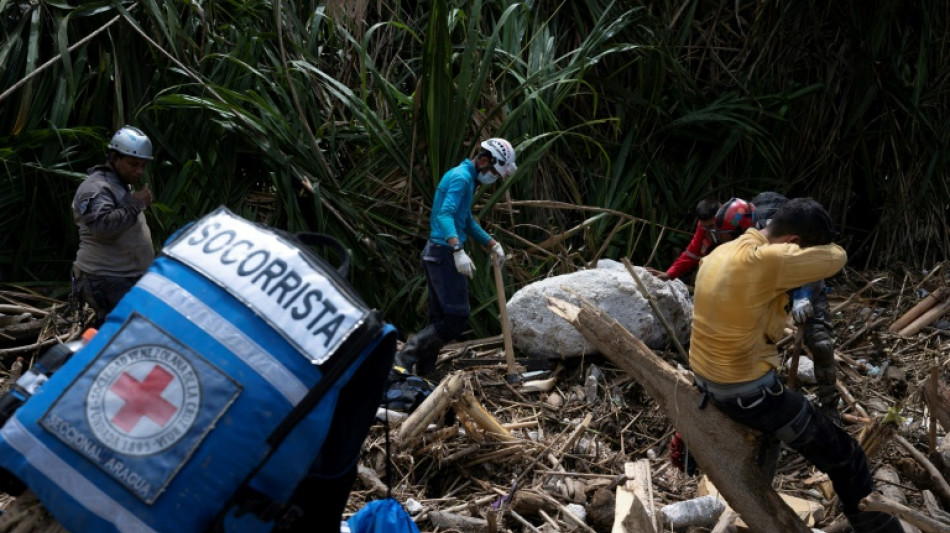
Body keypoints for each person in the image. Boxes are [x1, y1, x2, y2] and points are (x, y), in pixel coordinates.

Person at [689, 198, 903, 533]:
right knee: (847, 456)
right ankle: (879, 530)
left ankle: (757, 513)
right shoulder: (771, 260)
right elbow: (837, 257)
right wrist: (798, 257)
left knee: (773, 440)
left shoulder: (723, 252)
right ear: (792, 244)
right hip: (748, 394)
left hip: (708, 383)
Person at [394, 138, 517, 377]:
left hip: (436, 253)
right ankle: (406, 355)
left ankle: (426, 372)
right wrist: (457, 250)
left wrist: (491, 244)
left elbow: (465, 218)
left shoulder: (467, 179)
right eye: (493, 171)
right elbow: (445, 215)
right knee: (457, 318)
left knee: (439, 318)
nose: (492, 178)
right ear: (483, 160)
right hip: (443, 254)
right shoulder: (461, 179)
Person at [751, 191, 840, 422]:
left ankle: (829, 405)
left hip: (807, 284)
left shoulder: (805, 233)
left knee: (820, 343)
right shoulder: (751, 235)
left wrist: (803, 296)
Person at [71, 125, 155, 328]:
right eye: (133, 164)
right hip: (105, 280)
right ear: (114, 157)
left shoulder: (119, 184)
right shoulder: (97, 187)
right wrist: (136, 204)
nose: (139, 171)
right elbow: (102, 228)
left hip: (122, 280)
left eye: (143, 165)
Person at [646, 198, 721, 281]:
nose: (708, 230)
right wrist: (669, 274)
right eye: (705, 226)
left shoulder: (734, 221)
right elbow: (692, 252)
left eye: (711, 226)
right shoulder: (703, 227)